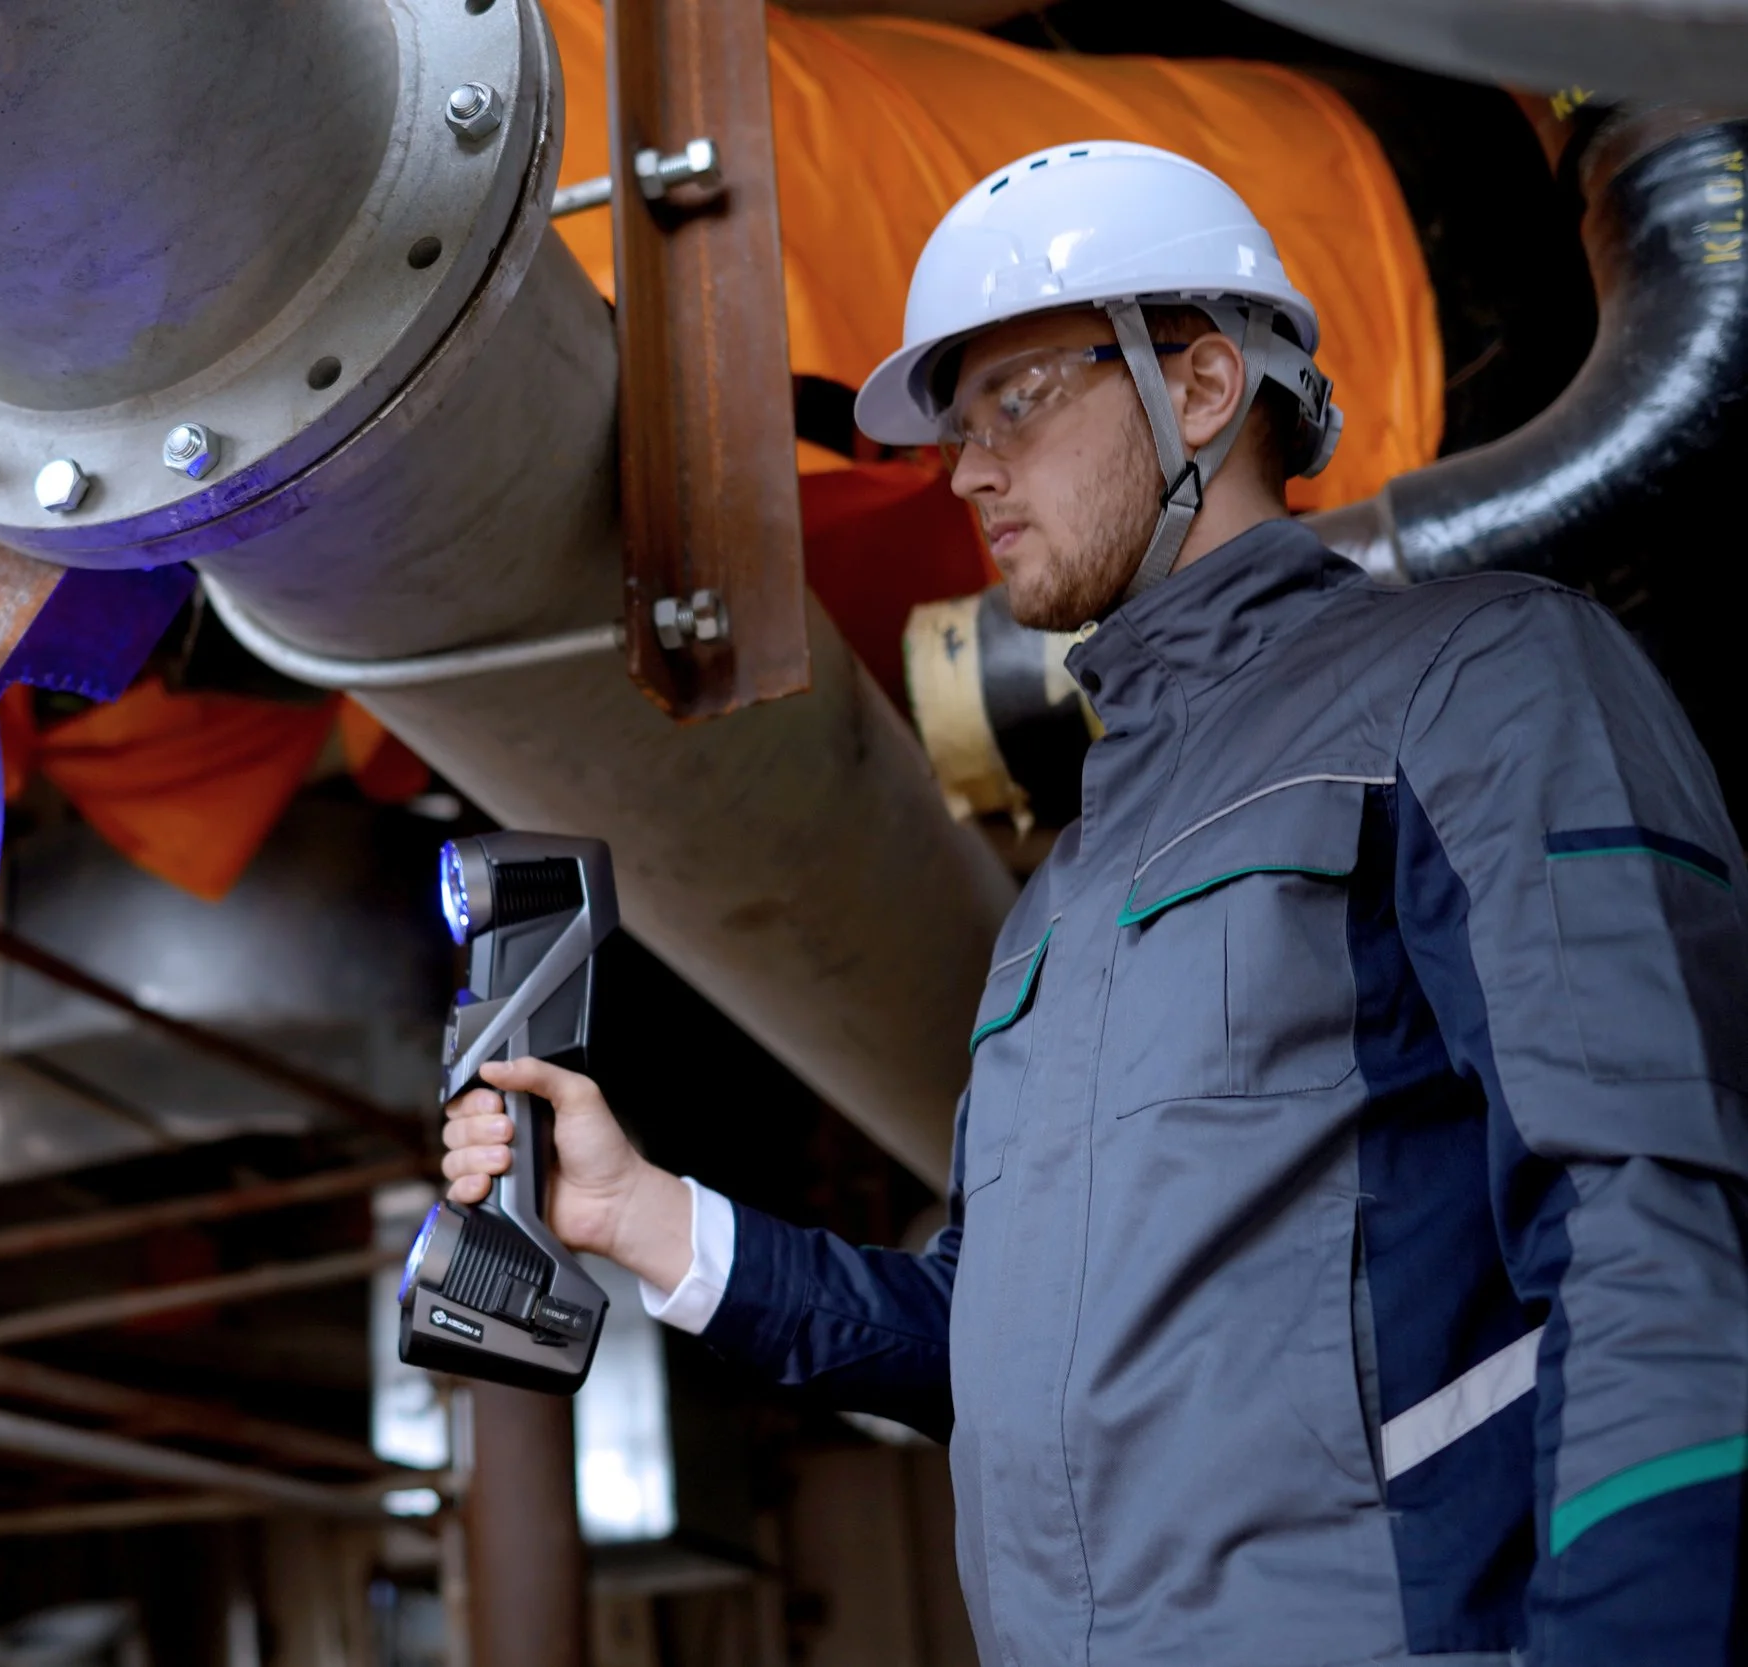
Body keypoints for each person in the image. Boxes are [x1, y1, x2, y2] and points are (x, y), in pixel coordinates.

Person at [442, 141, 1748, 1664]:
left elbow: (1654, 1218)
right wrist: (642, 1217)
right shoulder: (1062, 894)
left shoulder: (1475, 682)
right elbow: (995, 1346)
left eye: (1017, 400)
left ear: (1200, 389)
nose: (968, 470)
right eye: (959, 428)